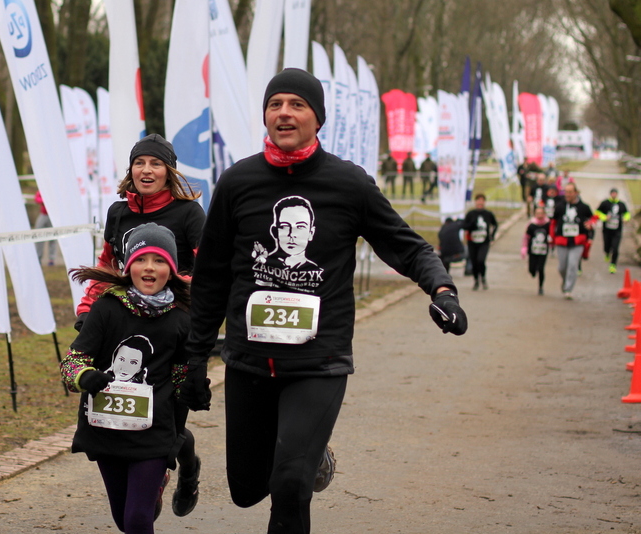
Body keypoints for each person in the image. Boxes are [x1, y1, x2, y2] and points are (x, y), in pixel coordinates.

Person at [178, 68, 468, 534]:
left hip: (319, 361)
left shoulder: (347, 184)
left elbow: (407, 246)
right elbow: (211, 276)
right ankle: (314, 455)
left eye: (297, 104)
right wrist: (195, 357)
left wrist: (442, 290)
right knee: (247, 488)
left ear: (318, 118)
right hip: (251, 360)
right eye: (275, 104)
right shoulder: (238, 182)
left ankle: (303, 456)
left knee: (289, 484)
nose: (284, 113)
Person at [74, 133, 206, 518]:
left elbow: (208, 271)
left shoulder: (189, 214)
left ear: (169, 171)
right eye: (139, 163)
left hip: (173, 324)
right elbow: (107, 265)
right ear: (131, 170)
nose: (147, 170)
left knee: (170, 420)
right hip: (124, 321)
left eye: (156, 164)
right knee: (131, 406)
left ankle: (185, 469)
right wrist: (88, 309)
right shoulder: (118, 213)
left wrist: (174, 296)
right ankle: (144, 480)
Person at [61, 223, 191, 534]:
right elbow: (72, 362)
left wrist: (193, 385)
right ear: (128, 266)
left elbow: (181, 375)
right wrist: (85, 376)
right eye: (141, 259)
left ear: (171, 270)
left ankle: (154, 478)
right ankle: (155, 486)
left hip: (153, 432)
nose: (149, 267)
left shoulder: (181, 318)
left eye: (159, 260)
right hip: (106, 429)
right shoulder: (106, 308)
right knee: (124, 520)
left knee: (137, 520)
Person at [551, 183, 595, 299]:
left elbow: (592, 219)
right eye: (566, 192)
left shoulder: (584, 207)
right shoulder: (560, 206)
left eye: (570, 192)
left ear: (576, 193)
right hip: (562, 240)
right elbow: (553, 222)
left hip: (578, 241)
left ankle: (568, 289)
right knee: (562, 267)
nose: (567, 194)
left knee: (572, 265)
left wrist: (590, 226)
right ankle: (565, 281)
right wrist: (552, 237)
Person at [463, 193, 498, 290]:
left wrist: (492, 235)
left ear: (484, 202)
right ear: (475, 202)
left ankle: (483, 277)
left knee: (481, 260)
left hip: (484, 242)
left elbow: (495, 224)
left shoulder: (488, 214)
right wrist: (471, 224)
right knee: (474, 262)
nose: (480, 203)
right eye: (478, 200)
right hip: (472, 241)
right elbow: (464, 226)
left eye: (482, 201)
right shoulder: (471, 214)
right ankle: (476, 281)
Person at [595, 188, 631, 274]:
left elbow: (627, 213)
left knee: (615, 248)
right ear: (610, 194)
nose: (614, 195)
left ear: (617, 194)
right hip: (607, 230)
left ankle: (613, 265)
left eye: (615, 193)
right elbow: (597, 212)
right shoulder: (605, 203)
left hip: (617, 230)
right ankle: (607, 252)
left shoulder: (621, 204)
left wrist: (626, 219)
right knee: (607, 246)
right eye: (613, 193)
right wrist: (604, 217)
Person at [521, 206, 551, 295]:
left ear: (544, 214)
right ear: (535, 214)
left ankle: (541, 287)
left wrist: (552, 242)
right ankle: (533, 272)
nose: (540, 215)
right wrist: (524, 248)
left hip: (543, 251)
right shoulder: (531, 225)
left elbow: (552, 235)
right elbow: (526, 237)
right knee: (532, 269)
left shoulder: (548, 224)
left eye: (541, 213)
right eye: (538, 213)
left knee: (541, 269)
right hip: (533, 250)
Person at [34, 191, 56, 266]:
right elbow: (37, 199)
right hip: (43, 214)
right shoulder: (42, 190)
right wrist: (45, 200)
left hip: (52, 215)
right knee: (39, 237)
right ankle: (38, 258)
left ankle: (51, 259)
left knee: (53, 238)